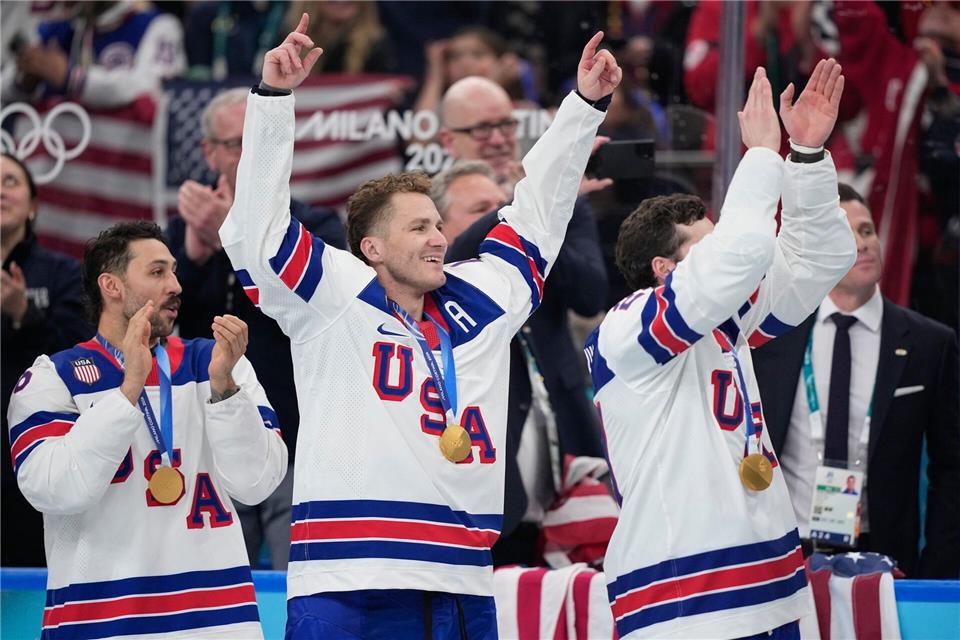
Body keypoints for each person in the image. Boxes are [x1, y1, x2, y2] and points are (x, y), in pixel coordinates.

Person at [221, 14, 618, 637]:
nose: (439, 239)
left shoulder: (482, 297)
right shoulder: (332, 297)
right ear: (371, 248)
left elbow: (539, 211)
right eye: (419, 229)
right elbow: (259, 232)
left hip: (462, 578)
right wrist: (273, 101)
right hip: (350, 580)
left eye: (438, 224)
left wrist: (584, 105)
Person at [585, 61, 856, 638]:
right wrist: (759, 156)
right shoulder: (625, 332)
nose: (737, 259)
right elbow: (736, 257)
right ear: (665, 269)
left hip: (771, 580)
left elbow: (817, 263)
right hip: (682, 592)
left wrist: (805, 157)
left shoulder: (725, 323)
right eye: (705, 248)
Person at [6, 221, 287, 638]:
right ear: (111, 285)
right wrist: (127, 391)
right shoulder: (54, 378)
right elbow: (52, 488)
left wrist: (225, 390)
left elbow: (257, 483)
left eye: (174, 271)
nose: (175, 284)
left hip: (218, 623)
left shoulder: (218, 364)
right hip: (101, 623)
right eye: (157, 272)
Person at [166, 87, 346, 570]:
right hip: (204, 439)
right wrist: (193, 257)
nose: (250, 155)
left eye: (258, 140)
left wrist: (233, 236)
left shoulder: (316, 225)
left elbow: (322, 310)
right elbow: (154, 326)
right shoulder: (178, 236)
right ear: (208, 151)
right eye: (236, 143)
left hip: (297, 431)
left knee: (300, 576)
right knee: (216, 579)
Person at [753, 184, 960, 579]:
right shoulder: (773, 335)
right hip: (784, 554)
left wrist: (936, 568)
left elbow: (951, 468)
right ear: (817, 252)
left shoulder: (929, 342)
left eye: (866, 231)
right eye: (846, 234)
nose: (863, 244)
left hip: (885, 559)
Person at [438, 156, 610, 565]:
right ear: (436, 229)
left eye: (502, 207)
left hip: (568, 488)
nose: (500, 221)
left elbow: (590, 294)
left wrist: (546, 214)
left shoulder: (532, 258)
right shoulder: (438, 293)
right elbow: (458, 255)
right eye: (482, 211)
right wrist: (532, 197)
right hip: (492, 512)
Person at [1, 153, 91, 567]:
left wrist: (25, 315)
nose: (1, 190)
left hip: (37, 448)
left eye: (11, 181)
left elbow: (81, 360)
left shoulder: (63, 274)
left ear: (33, 206)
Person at [4, 1, 185, 109]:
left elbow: (154, 89)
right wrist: (24, 82)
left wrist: (73, 78)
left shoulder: (159, 26)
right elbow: (4, 85)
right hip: (57, 162)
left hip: (124, 163)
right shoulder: (58, 29)